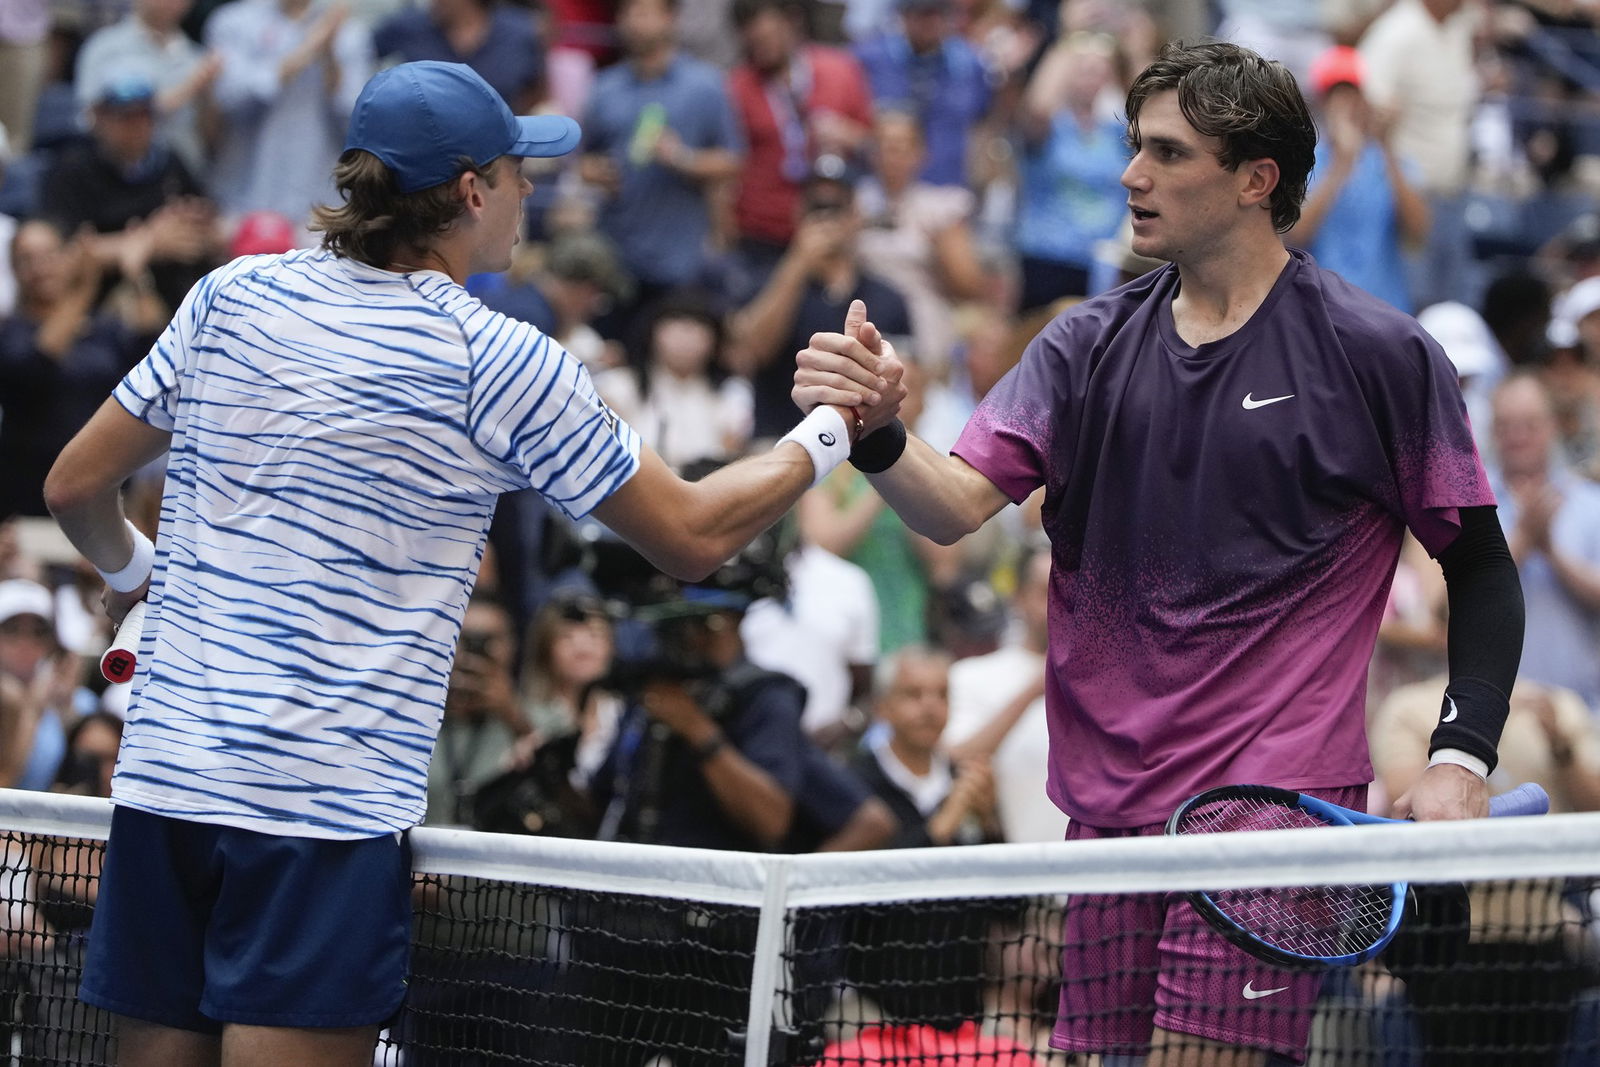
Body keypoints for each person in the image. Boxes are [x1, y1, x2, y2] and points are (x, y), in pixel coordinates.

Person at [44, 59, 903, 1067]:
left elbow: (72, 487)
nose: (532, 193)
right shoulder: (498, 358)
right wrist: (835, 429)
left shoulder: (230, 293)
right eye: (518, 170)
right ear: (470, 193)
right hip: (319, 809)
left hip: (165, 785)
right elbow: (697, 534)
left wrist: (139, 574)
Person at [790, 40, 1523, 1067]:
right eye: (1135, 148)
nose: (1130, 175)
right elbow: (952, 505)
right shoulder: (1081, 345)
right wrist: (875, 432)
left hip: (1266, 810)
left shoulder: (1376, 355)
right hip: (1106, 813)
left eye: (1167, 155)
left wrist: (1459, 754)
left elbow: (1480, 566)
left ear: (1254, 179)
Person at [1485, 372, 1600, 710]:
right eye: (1506, 426)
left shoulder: (1591, 503)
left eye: (1530, 425)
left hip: (1584, 710)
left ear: (1553, 426)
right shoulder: (1472, 507)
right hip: (1496, 712)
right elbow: (1448, 609)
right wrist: (1520, 541)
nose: (1517, 437)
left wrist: (1551, 551)